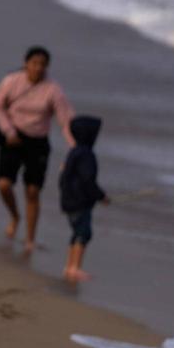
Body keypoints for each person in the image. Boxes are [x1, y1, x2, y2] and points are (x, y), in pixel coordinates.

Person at [0, 45, 75, 251]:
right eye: (34, 63)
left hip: (37, 141)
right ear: (26, 63)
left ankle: (30, 239)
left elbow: (66, 121)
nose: (38, 68)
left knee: (33, 190)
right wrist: (8, 130)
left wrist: (75, 148)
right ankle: (15, 216)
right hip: (12, 136)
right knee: (3, 184)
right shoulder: (12, 81)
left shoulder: (53, 90)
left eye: (42, 65)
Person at [59, 116, 108, 282]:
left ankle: (69, 266)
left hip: (69, 200)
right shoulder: (86, 155)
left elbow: (64, 177)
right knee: (83, 233)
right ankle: (75, 268)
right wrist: (100, 196)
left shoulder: (73, 152)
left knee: (76, 232)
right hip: (79, 202)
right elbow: (88, 180)